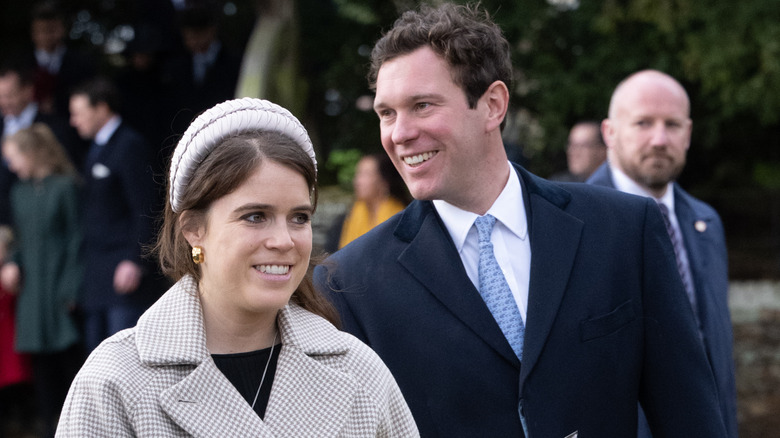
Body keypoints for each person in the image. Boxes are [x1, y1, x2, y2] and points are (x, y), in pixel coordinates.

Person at [314, 3, 727, 437]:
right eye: (387, 113)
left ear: (493, 105)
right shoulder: (349, 284)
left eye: (422, 105)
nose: (399, 134)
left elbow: (691, 417)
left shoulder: (625, 230)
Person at [56, 97, 418, 436]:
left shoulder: (359, 371)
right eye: (255, 216)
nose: (284, 240)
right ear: (194, 230)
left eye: (299, 217)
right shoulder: (114, 382)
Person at [587, 69, 738, 438]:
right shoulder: (573, 226)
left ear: (688, 134)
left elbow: (714, 350)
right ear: (610, 133)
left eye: (672, 124)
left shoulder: (707, 222)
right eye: (643, 123)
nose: (659, 138)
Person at [69, 78, 166, 352]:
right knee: (96, 354)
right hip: (98, 271)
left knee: (124, 353)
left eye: (78, 113)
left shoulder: (129, 145)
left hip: (122, 270)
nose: (74, 121)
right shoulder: (95, 148)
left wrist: (134, 260)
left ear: (101, 108)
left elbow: (145, 206)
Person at [0, 124, 84, 438]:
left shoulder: (65, 187)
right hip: (33, 292)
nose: (10, 165)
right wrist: (12, 264)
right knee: (41, 367)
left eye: (13, 157)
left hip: (61, 290)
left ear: (31, 153)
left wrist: (71, 288)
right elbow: (21, 240)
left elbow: (77, 238)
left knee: (69, 361)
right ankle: (50, 428)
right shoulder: (18, 192)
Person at [0, 62, 84, 224]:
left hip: (45, 224)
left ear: (28, 91)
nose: (4, 102)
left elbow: (67, 171)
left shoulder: (55, 127)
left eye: (9, 95)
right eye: (0, 96)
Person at [326, 152, 410, 252]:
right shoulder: (350, 217)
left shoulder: (401, 219)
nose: (357, 181)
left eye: (366, 174)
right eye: (358, 174)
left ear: (384, 181)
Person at [28, 0, 97, 117]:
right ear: (33, 33)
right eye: (42, 31)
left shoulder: (81, 63)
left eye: (52, 30)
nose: (47, 36)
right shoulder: (21, 63)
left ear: (63, 29)